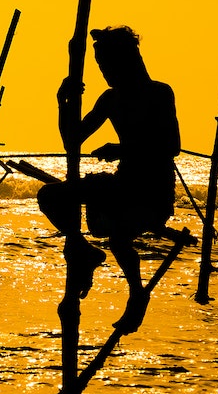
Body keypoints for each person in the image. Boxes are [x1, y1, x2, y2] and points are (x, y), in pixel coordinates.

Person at [37, 26, 182, 333]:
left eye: (110, 66)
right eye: (102, 68)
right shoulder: (110, 99)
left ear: (130, 61)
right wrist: (63, 103)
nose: (106, 74)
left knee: (119, 238)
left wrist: (122, 148)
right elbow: (72, 140)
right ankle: (84, 250)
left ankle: (136, 295)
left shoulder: (159, 93)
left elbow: (172, 146)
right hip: (120, 186)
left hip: (153, 192)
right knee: (49, 196)